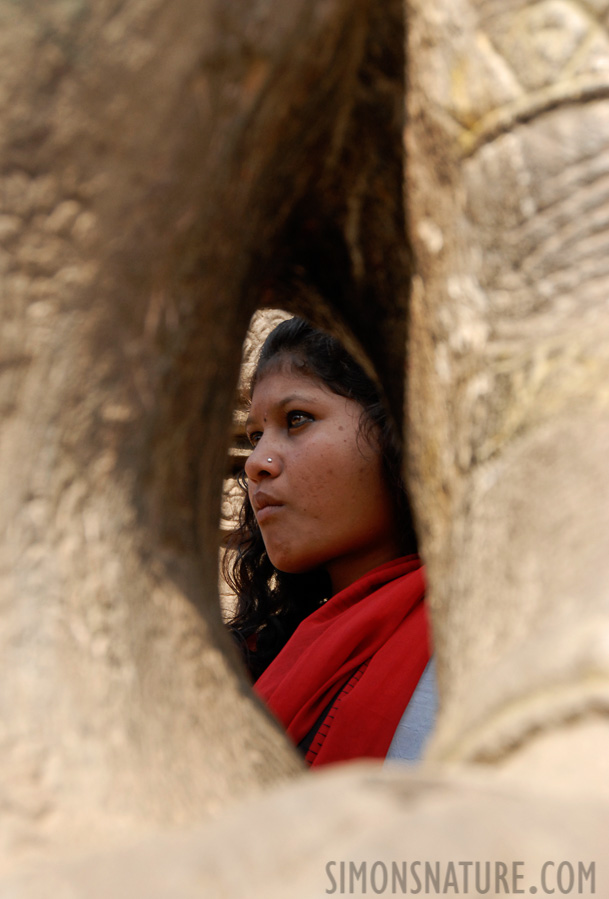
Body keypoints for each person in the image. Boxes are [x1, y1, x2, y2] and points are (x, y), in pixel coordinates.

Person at [224, 316, 433, 766]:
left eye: (296, 419)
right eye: (255, 436)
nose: (257, 461)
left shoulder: (479, 638)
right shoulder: (259, 658)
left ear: (397, 430)